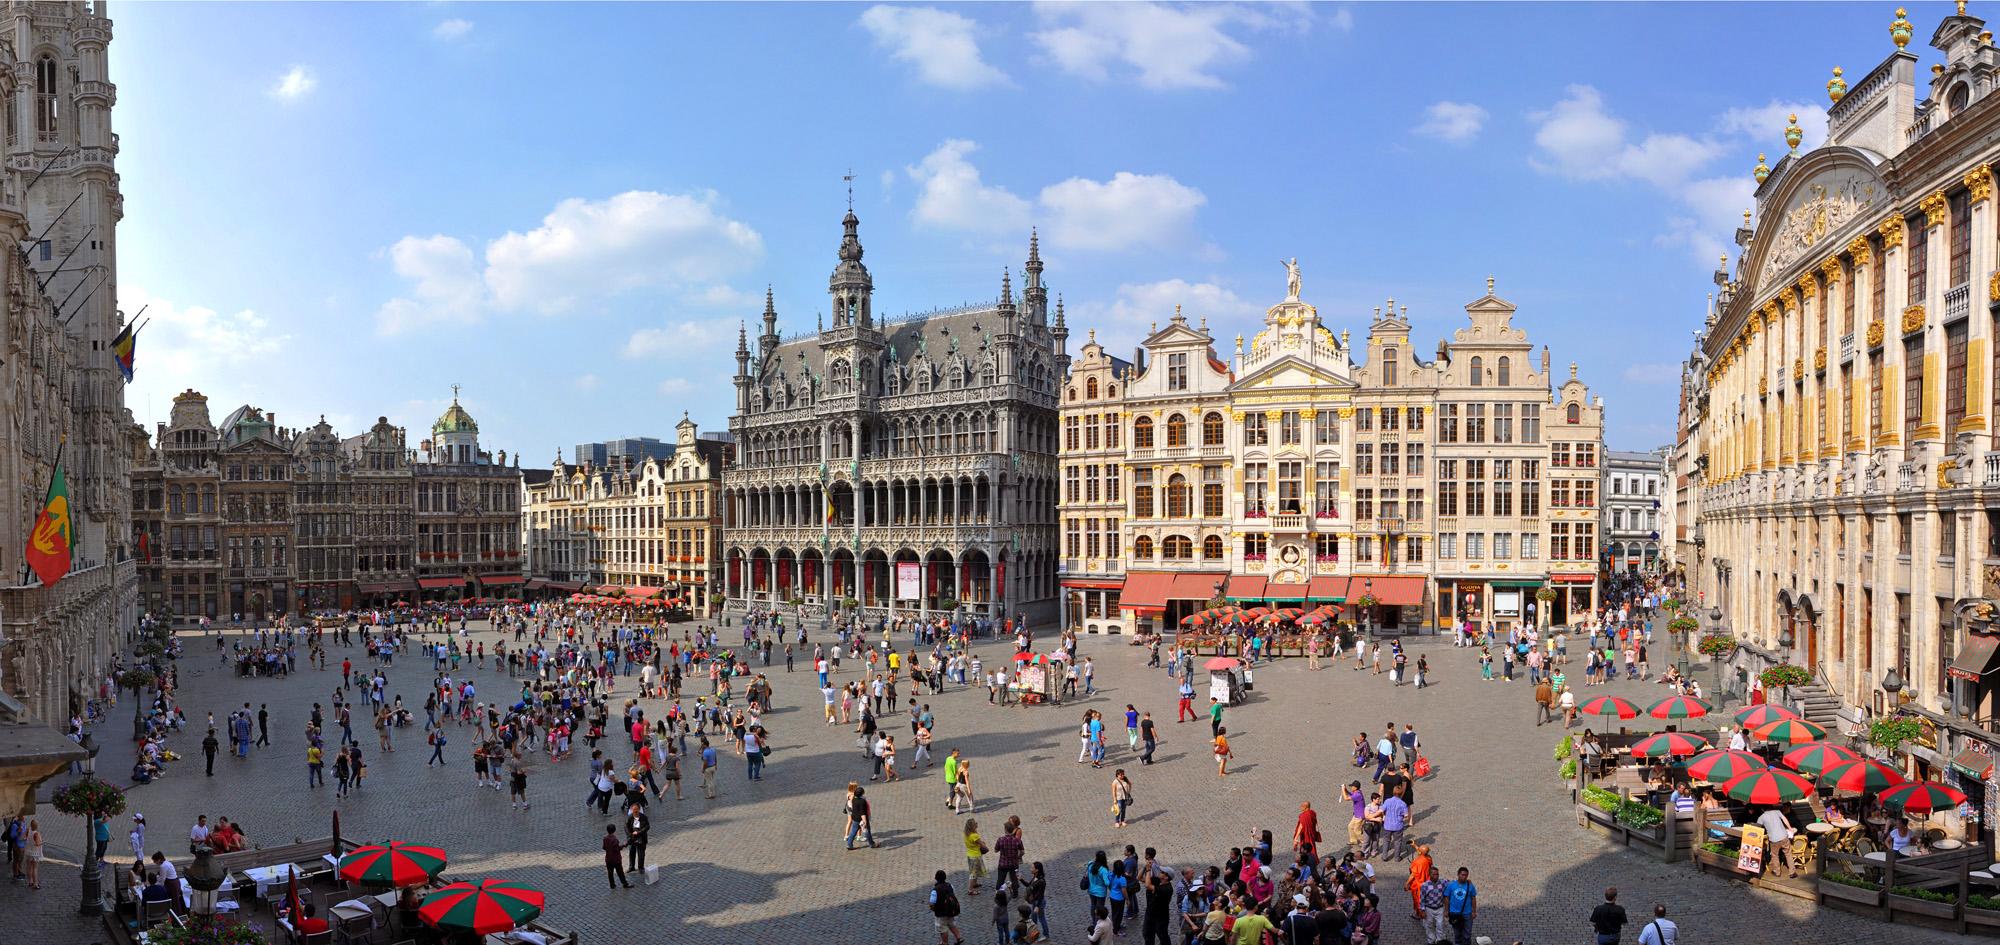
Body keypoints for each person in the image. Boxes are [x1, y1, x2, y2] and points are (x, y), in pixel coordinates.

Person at [1755, 806, 1798, 877]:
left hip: (1774, 839)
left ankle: (1777, 872)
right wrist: (1790, 828)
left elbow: (1757, 828)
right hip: (1784, 836)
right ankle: (1792, 872)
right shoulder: (1777, 811)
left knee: (1775, 855)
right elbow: (1785, 819)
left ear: (1762, 809)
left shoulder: (1761, 817)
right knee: (1788, 854)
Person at [930, 869, 966, 945]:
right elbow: (953, 894)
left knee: (942, 929)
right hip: (950, 910)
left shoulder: (935, 890)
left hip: (941, 913)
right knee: (952, 924)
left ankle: (944, 942)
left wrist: (933, 909)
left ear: (936, 878)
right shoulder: (950, 885)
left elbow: (932, 903)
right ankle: (959, 937)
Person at [1443, 866, 1476, 945]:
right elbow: (1446, 898)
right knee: (1457, 933)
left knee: (1467, 934)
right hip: (1454, 913)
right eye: (1462, 875)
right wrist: (1446, 910)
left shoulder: (1470, 886)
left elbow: (1473, 898)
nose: (1464, 877)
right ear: (1458, 874)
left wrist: (1474, 911)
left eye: (1466, 875)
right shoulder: (1451, 885)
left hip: (1467, 913)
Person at [601, 824, 631, 889]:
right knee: (620, 872)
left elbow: (604, 847)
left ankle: (612, 885)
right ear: (614, 830)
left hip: (608, 859)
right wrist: (623, 845)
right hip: (616, 859)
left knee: (610, 873)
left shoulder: (605, 838)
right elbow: (617, 849)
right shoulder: (614, 839)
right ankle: (625, 884)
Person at [846, 785, 876, 849]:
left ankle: (849, 844)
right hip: (861, 818)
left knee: (853, 831)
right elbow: (863, 813)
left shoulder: (853, 798)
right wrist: (864, 821)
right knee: (867, 831)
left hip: (854, 817)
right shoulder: (862, 801)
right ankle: (872, 844)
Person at [964, 819, 988, 897]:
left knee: (974, 870)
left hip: (970, 854)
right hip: (975, 855)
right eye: (975, 824)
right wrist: (984, 844)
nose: (977, 824)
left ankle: (975, 883)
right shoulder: (974, 836)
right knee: (973, 873)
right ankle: (970, 890)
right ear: (972, 826)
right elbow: (982, 845)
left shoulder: (966, 834)